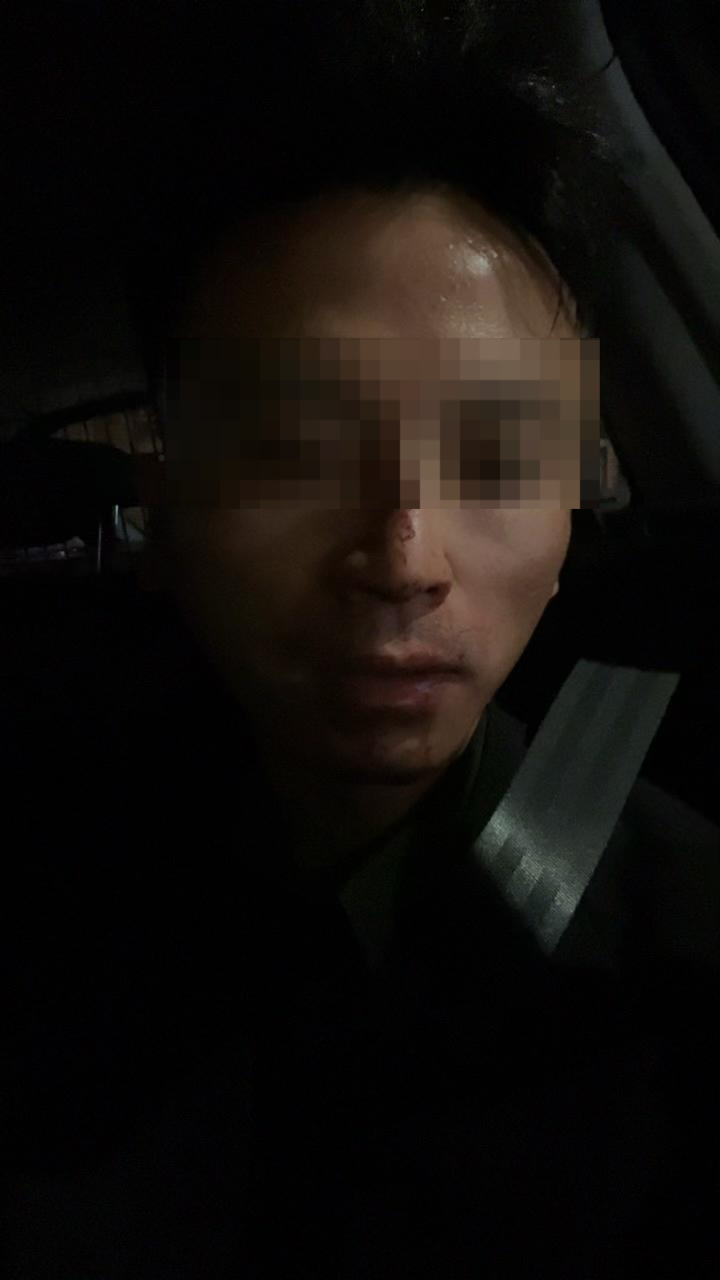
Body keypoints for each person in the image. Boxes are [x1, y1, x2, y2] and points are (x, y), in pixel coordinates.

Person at [3, 3, 718, 1277]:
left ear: (571, 512)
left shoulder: (679, 949)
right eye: (294, 450)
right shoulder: (57, 886)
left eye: (496, 457)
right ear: (165, 511)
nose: (403, 556)